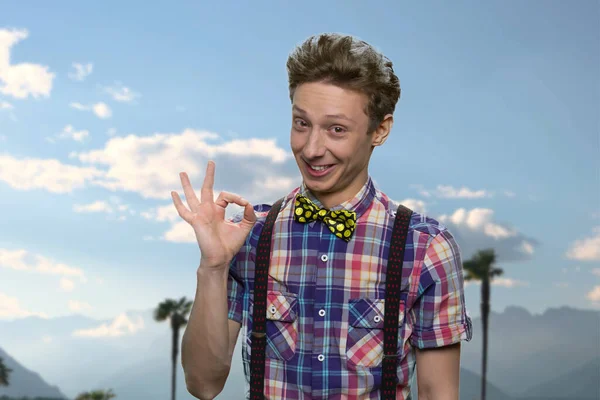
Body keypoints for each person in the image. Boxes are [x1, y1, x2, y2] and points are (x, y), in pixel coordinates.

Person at [172, 33, 472, 400]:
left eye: (336, 129)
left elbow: (437, 393)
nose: (312, 149)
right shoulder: (251, 234)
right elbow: (203, 384)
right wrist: (214, 266)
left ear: (380, 130)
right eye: (302, 123)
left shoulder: (425, 248)